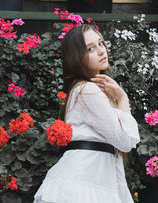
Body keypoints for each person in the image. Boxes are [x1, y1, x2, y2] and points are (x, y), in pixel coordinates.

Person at [33, 23, 140, 203]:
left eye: (100, 43)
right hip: (83, 179)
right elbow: (124, 141)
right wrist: (122, 98)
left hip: (91, 178)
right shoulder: (87, 90)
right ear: (77, 57)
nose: (101, 51)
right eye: (90, 48)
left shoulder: (86, 90)